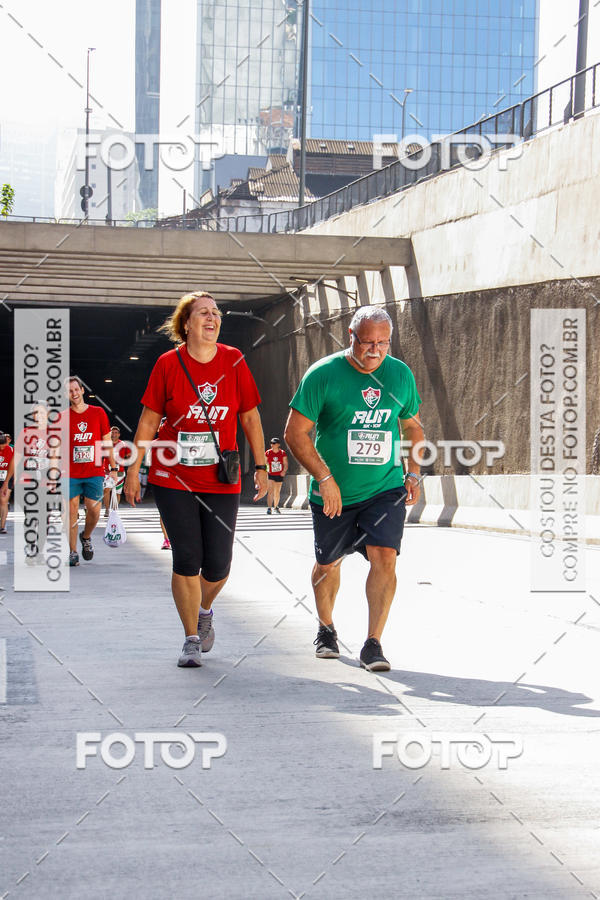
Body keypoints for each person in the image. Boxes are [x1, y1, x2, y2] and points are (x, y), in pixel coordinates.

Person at [124, 290, 268, 668]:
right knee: (187, 557)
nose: (213, 317)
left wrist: (263, 466)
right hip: (173, 474)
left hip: (222, 476)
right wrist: (134, 470)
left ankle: (204, 608)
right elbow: (149, 421)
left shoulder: (234, 360)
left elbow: (250, 417)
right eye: (203, 312)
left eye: (216, 312)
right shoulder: (167, 364)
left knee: (218, 564)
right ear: (185, 323)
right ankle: (190, 637)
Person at [284, 306, 424, 672]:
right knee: (328, 564)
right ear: (351, 336)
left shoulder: (400, 375)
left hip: (384, 487)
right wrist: (324, 479)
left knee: (385, 557)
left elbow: (413, 428)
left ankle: (373, 643)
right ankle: (326, 628)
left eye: (383, 343)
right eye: (367, 343)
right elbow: (295, 434)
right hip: (334, 492)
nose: (375, 351)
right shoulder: (323, 375)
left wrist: (413, 473)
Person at [67, 376, 117, 567]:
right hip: (70, 472)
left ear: (82, 390)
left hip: (94, 471)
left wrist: (113, 468)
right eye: (70, 391)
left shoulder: (98, 413)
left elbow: (107, 443)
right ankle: (72, 552)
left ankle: (85, 537)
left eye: (76, 389)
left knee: (94, 510)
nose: (74, 394)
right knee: (71, 512)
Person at [103, 425, 130, 516]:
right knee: (106, 490)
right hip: (108, 471)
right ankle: (107, 509)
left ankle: (114, 510)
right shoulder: (105, 443)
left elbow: (129, 455)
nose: (114, 434)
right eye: (112, 432)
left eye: (116, 433)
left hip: (120, 471)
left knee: (118, 492)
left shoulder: (123, 444)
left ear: (119, 434)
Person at [265, 437, 288, 514]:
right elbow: (265, 463)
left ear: (278, 444)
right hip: (270, 474)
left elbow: (285, 464)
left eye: (274, 443)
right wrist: (266, 471)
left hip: (279, 474)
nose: (272, 445)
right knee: (270, 491)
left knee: (277, 492)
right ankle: (269, 508)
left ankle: (276, 506)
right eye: (271, 443)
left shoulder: (282, 453)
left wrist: (284, 471)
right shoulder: (268, 453)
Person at [0, 431, 14, 534]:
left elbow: (13, 466)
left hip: (6, 477)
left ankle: (2, 526)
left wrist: (8, 481)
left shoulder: (11, 450)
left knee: (3, 500)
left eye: (4, 447)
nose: (3, 449)